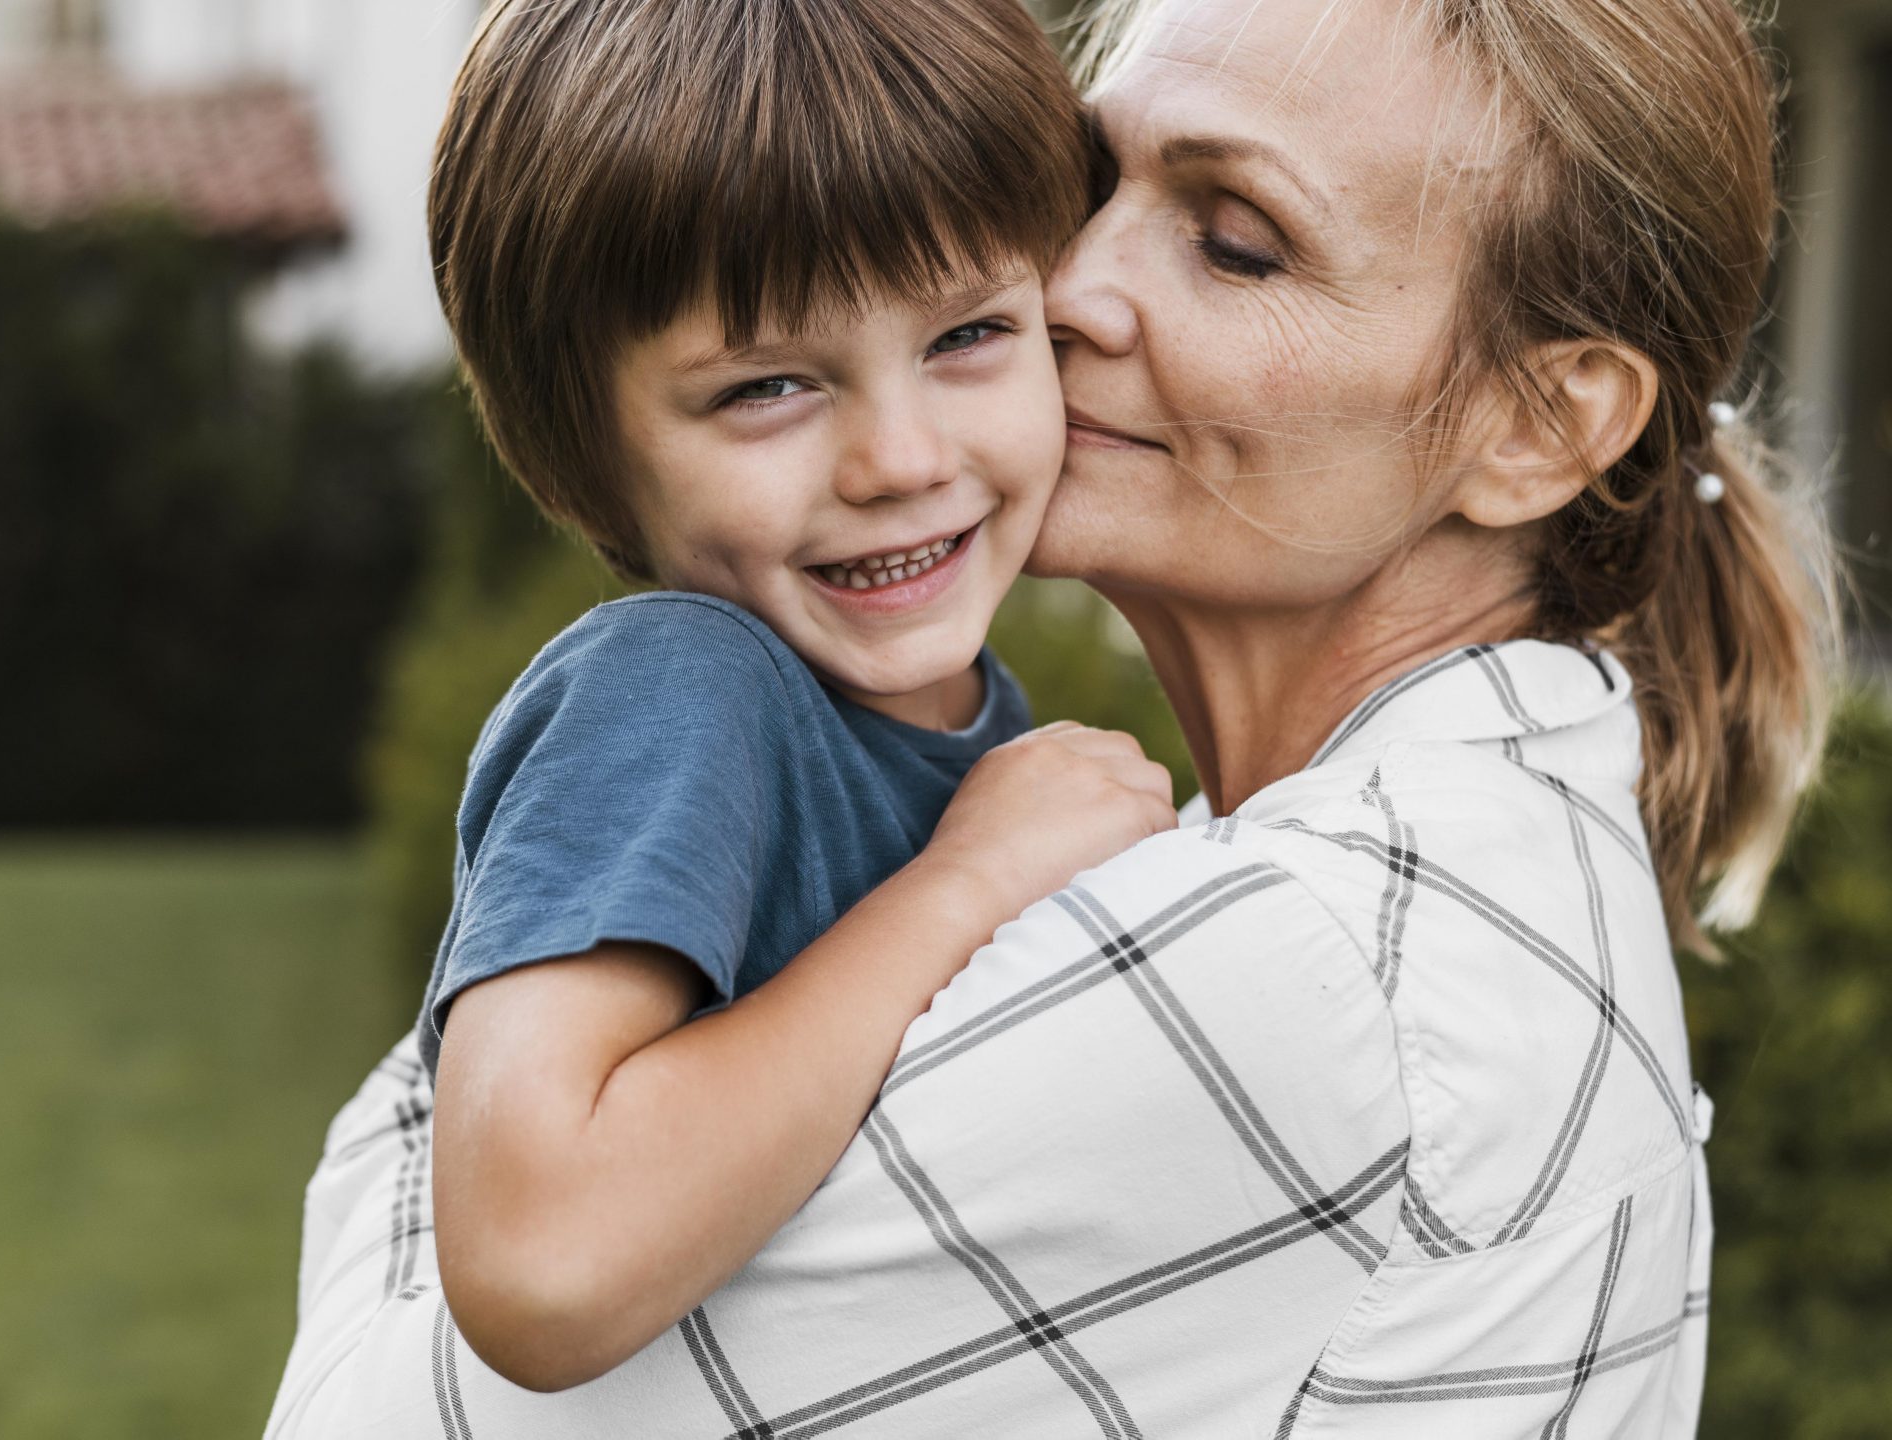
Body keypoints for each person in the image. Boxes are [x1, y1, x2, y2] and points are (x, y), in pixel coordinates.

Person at [267, 0, 1840, 1433]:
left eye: (1234, 240)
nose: (1064, 287)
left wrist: (400, 1128)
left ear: (1536, 425)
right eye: (1091, 181)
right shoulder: (1449, 854)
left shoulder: (1311, 981)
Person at [342, 0, 1165, 1399]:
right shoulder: (684, 691)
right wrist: (966, 887)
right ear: (592, 458)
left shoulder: (978, 736)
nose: (899, 458)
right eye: (768, 386)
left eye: (969, 332)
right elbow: (541, 1256)